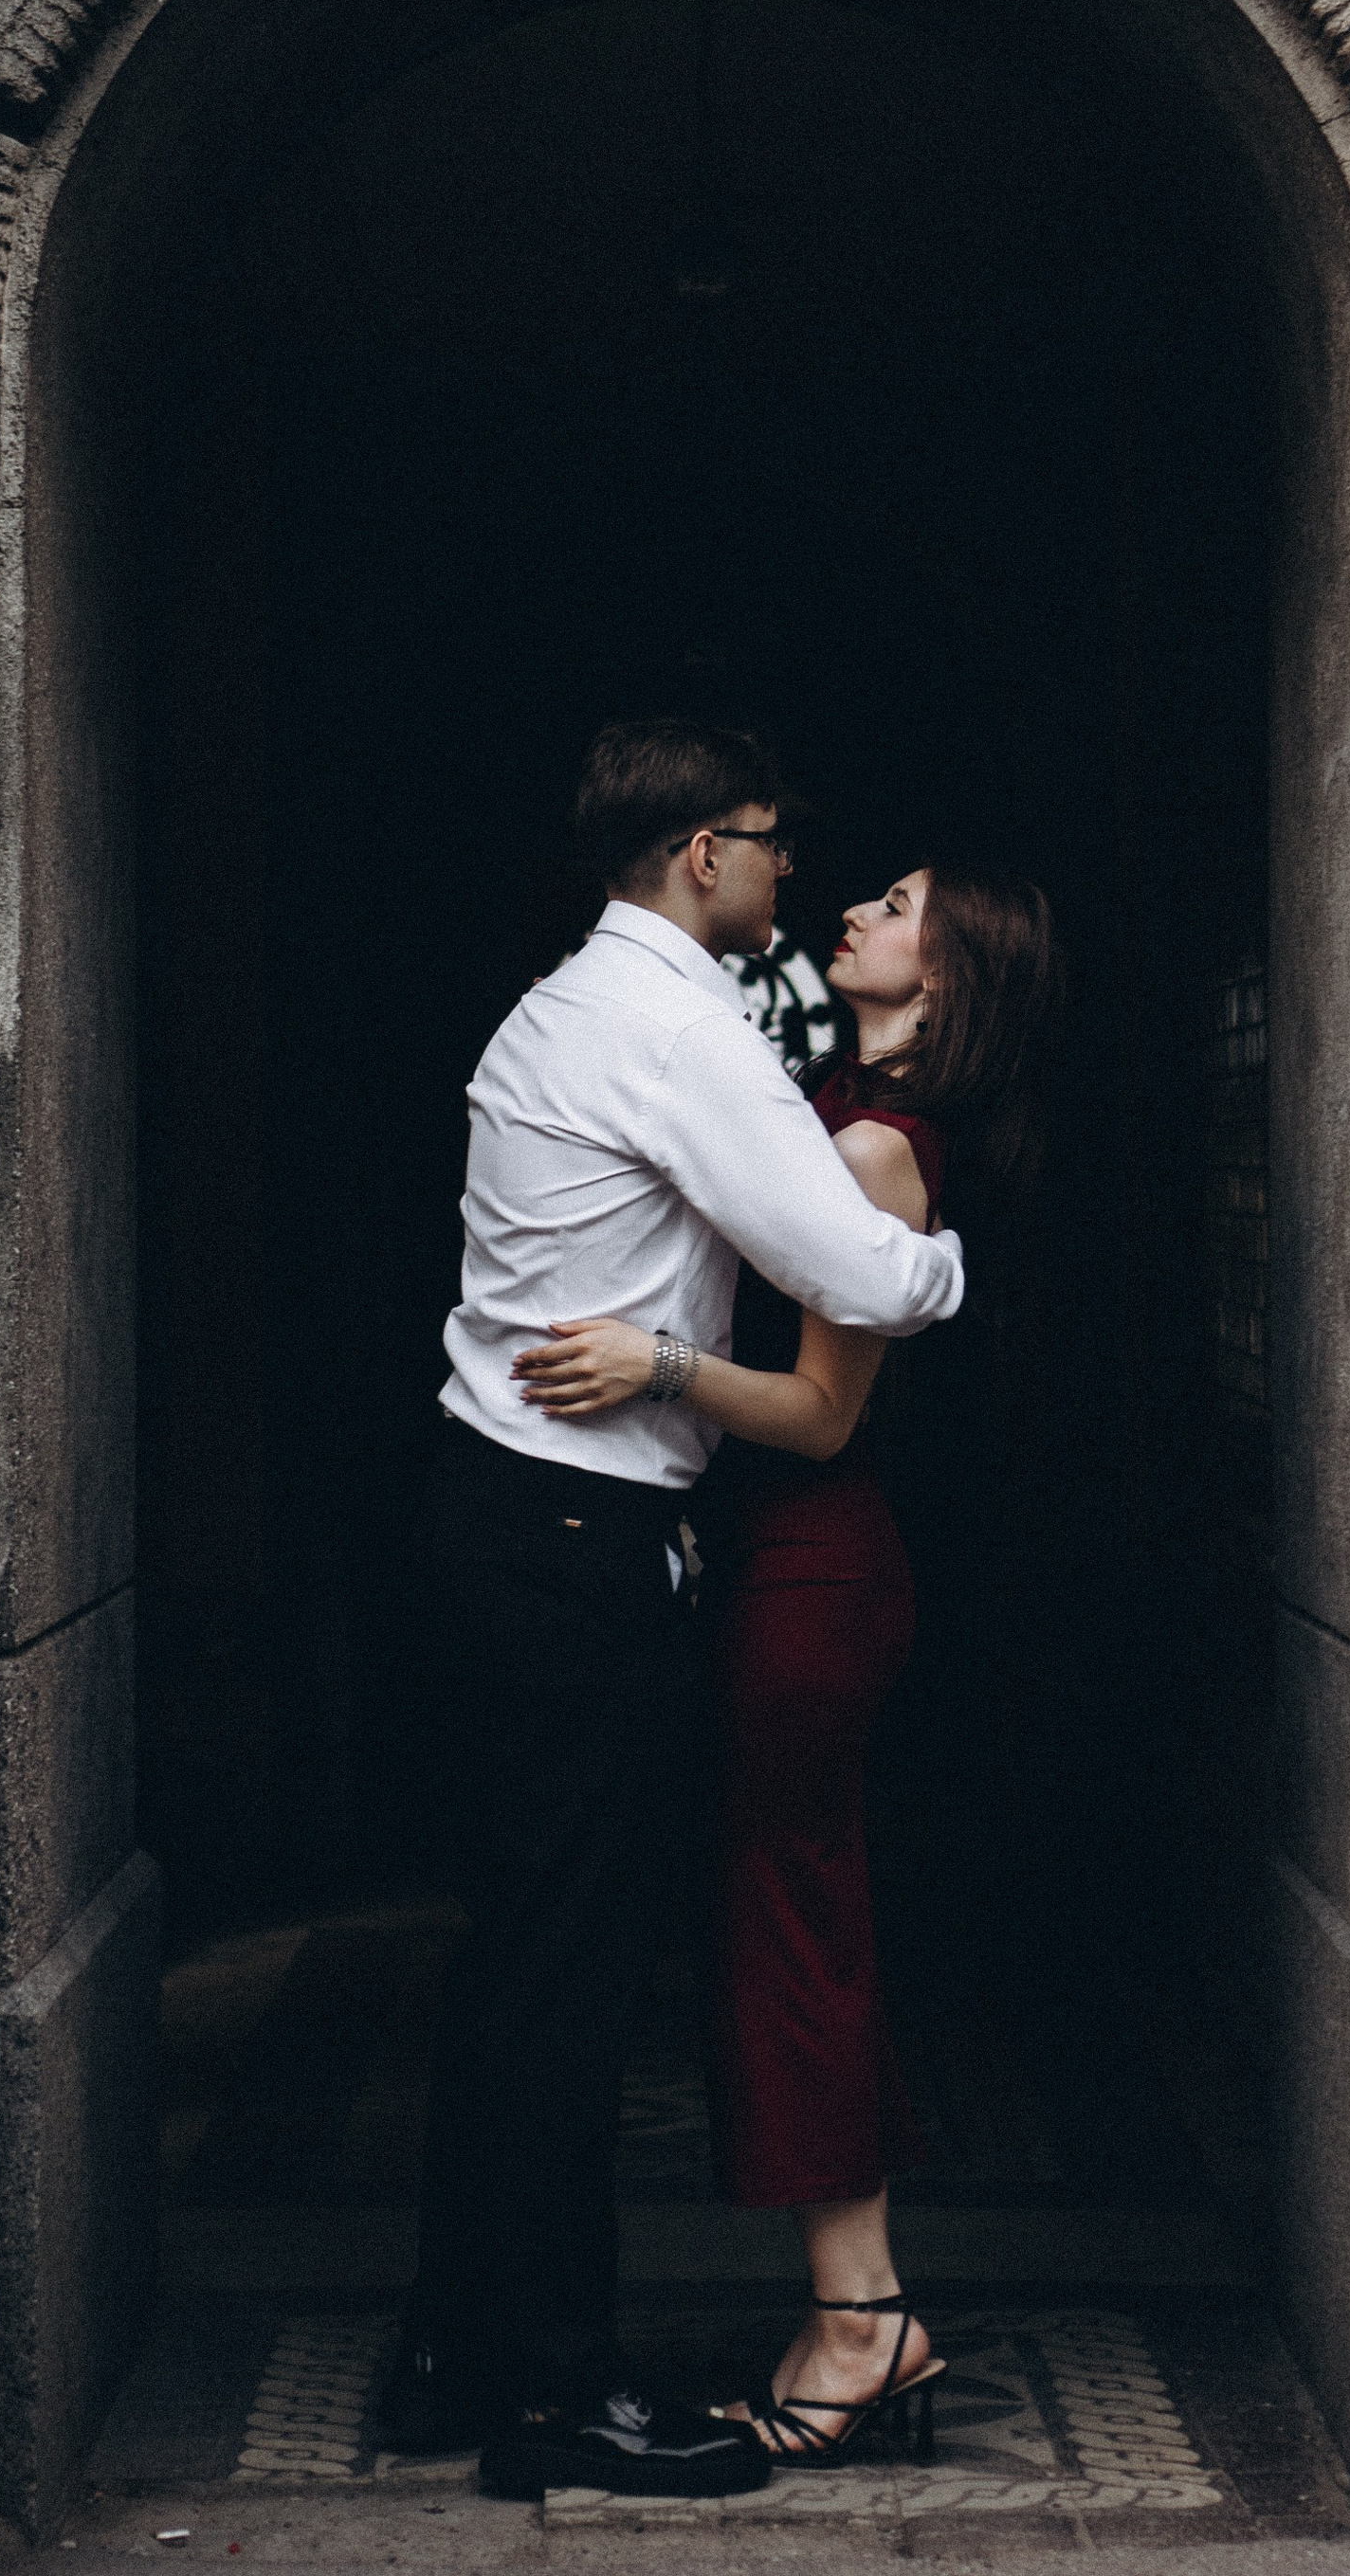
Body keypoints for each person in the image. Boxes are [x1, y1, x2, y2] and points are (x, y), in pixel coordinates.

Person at [387, 719, 970, 2505]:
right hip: (576, 1533)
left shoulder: (573, 1005)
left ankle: (454, 2348)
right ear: (699, 856)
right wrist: (950, 1255)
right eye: (774, 843)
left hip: (504, 1514)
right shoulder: (674, 1028)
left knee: (517, 1952)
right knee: (567, 1979)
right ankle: (557, 2392)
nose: (796, 872)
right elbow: (868, 1272)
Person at [516, 859, 1060, 2468]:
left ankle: (863, 2317)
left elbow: (823, 1412)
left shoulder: (882, 1151)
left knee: (794, 1929)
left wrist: (658, 1363)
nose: (859, 912)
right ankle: (858, 2306)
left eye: (898, 908)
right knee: (782, 1920)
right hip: (776, 1566)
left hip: (814, 1576)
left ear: (944, 980)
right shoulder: (829, 1098)